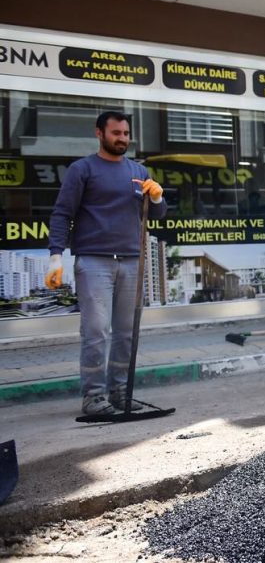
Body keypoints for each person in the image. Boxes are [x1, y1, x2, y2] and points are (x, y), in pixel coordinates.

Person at [46, 111, 167, 416]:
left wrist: (156, 198)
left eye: (126, 134)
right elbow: (62, 213)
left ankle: (120, 394)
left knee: (126, 332)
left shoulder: (139, 170)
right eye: (116, 133)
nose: (122, 139)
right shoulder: (82, 169)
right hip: (94, 261)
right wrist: (55, 256)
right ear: (99, 133)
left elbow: (158, 214)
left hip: (131, 262)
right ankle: (93, 397)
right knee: (96, 331)